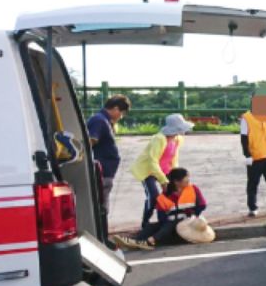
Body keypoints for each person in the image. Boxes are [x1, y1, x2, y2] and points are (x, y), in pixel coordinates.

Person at [113, 168, 207, 250]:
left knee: (171, 223)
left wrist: (192, 216)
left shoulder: (193, 189)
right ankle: (136, 242)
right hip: (171, 228)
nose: (188, 180)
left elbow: (202, 205)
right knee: (151, 226)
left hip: (189, 224)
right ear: (176, 182)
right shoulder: (164, 197)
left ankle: (150, 241)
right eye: (186, 178)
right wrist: (164, 224)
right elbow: (161, 217)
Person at [130, 113, 194, 228]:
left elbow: (174, 158)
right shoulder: (159, 139)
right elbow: (152, 161)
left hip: (164, 170)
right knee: (153, 197)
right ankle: (145, 222)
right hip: (148, 171)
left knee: (170, 194)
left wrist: (175, 177)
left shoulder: (178, 139)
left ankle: (165, 221)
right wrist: (163, 181)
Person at [86, 95, 130, 224]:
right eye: (121, 113)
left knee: (103, 204)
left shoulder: (104, 120)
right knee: (101, 205)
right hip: (102, 171)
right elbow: (91, 140)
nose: (121, 117)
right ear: (116, 109)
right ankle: (101, 234)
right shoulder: (100, 120)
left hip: (106, 170)